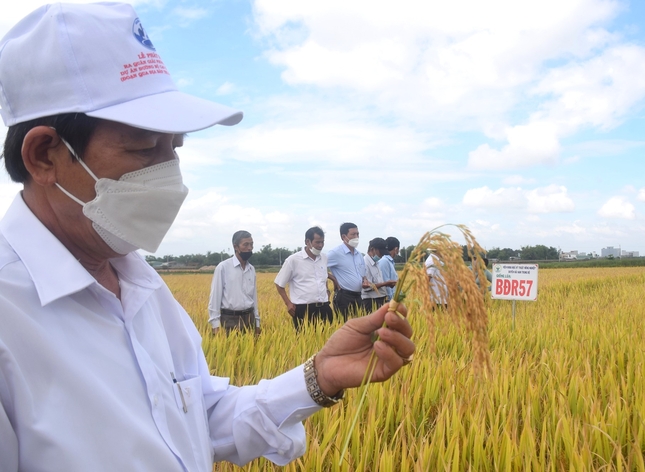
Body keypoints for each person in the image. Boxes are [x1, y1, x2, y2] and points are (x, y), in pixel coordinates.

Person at [0, 4, 415, 471]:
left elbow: (198, 417)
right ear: (42, 156)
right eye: (142, 148)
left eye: (173, 149)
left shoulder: (145, 289)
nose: (169, 175)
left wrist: (318, 377)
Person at [274, 226, 333, 330]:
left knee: (326, 341)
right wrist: (288, 303)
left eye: (322, 242)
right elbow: (279, 284)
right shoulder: (293, 260)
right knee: (304, 342)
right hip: (304, 310)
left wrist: (327, 290)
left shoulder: (324, 258)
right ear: (307, 241)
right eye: (317, 242)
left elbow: (323, 277)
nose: (320, 245)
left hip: (324, 307)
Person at [208, 230, 261, 334]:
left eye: (251, 244)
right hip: (230, 319)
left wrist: (257, 323)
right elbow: (215, 297)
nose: (249, 248)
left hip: (249, 318)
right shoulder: (223, 267)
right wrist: (215, 325)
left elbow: (254, 297)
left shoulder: (251, 269)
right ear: (236, 247)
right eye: (245, 244)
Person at [327, 222, 370, 320]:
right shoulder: (335, 253)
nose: (356, 237)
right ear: (344, 236)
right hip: (344, 297)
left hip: (359, 297)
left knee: (359, 327)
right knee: (344, 328)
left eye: (357, 234)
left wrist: (365, 281)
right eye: (353, 234)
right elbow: (317, 267)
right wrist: (333, 278)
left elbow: (363, 274)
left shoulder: (359, 254)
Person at [362, 237, 396, 312]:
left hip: (381, 299)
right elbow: (368, 286)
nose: (381, 256)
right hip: (371, 302)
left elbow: (378, 282)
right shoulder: (364, 263)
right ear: (372, 249)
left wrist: (387, 284)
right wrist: (386, 283)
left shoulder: (376, 263)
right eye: (380, 253)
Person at [378, 236, 400, 301]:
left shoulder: (390, 262)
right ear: (396, 249)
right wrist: (390, 300)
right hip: (388, 300)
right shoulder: (384, 261)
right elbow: (386, 283)